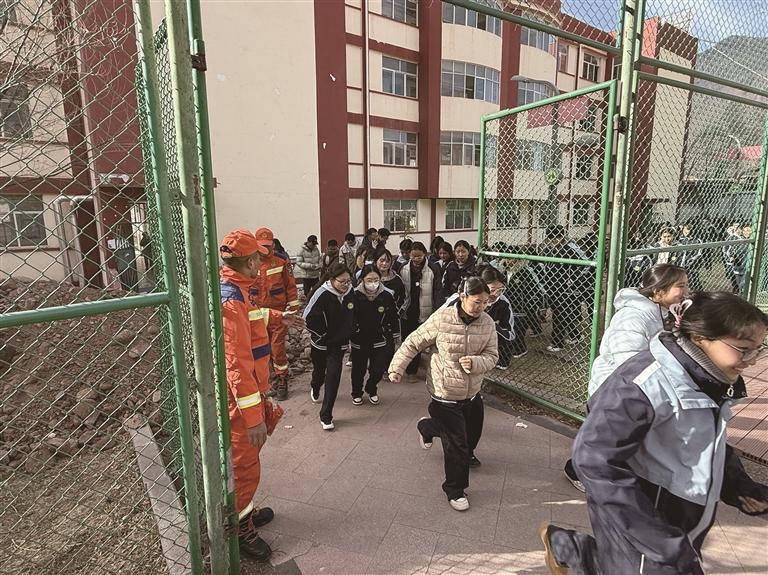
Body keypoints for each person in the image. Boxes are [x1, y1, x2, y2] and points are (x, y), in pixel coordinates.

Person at [541, 291, 768, 575]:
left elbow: (708, 442)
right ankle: (569, 548)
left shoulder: (711, 381)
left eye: (759, 349)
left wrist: (739, 488)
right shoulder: (644, 384)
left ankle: (566, 546)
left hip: (679, 518)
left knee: (620, 567)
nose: (752, 360)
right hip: (645, 516)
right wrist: (657, 538)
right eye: (744, 349)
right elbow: (593, 459)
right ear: (700, 337)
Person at [563, 264, 688, 492]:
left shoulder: (664, 313)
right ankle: (576, 471)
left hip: (636, 390)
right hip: (614, 389)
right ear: (658, 291)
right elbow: (627, 362)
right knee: (606, 441)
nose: (686, 291)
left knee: (621, 441)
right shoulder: (633, 317)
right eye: (680, 286)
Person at [219, 230, 300, 561]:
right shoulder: (231, 299)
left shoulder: (237, 290)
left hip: (247, 392)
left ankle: (245, 514)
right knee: (245, 467)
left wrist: (280, 315)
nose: (261, 263)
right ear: (250, 261)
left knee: (247, 463)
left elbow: (253, 316)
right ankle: (240, 530)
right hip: (239, 402)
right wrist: (253, 418)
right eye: (257, 258)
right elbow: (236, 365)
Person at [388, 276, 499, 512]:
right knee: (456, 444)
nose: (481, 307)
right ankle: (455, 490)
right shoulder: (442, 319)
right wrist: (397, 368)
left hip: (472, 392)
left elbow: (492, 356)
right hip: (444, 392)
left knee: (471, 435)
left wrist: (476, 363)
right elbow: (413, 342)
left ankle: (427, 427)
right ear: (463, 297)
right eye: (477, 302)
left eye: (485, 302)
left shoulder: (488, 323)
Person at [303, 262, 355, 430]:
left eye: (348, 281)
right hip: (321, 342)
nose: (346, 285)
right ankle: (315, 386)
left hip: (338, 344)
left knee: (333, 376)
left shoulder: (350, 292)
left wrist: (352, 330)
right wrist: (323, 334)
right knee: (319, 372)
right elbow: (308, 318)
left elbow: (354, 313)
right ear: (332, 280)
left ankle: (326, 416)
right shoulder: (321, 293)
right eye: (342, 281)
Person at [253, 227, 301, 400]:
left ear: (273, 244)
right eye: (262, 246)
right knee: (261, 349)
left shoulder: (281, 262)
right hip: (257, 314)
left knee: (277, 348)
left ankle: (282, 379)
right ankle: (267, 380)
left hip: (279, 313)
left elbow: (291, 286)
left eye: (268, 245)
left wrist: (294, 308)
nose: (265, 249)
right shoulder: (250, 263)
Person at [441, 265, 513, 371]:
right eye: (491, 290)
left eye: (500, 290)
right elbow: (437, 323)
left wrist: (491, 326)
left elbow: (510, 335)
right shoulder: (459, 299)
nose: (495, 294)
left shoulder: (503, 303)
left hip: (481, 354)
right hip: (454, 347)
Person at [350, 265, 401, 405]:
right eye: (369, 280)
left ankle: (371, 388)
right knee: (358, 369)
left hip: (380, 337)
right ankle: (356, 392)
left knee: (378, 368)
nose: (373, 283)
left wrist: (396, 334)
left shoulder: (387, 295)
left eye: (376, 280)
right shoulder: (354, 295)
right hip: (359, 339)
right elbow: (348, 317)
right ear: (362, 280)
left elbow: (393, 316)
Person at [538, 226, 587, 352]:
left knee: (560, 314)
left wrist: (573, 280)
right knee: (564, 312)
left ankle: (557, 343)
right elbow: (544, 264)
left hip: (564, 287)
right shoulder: (548, 249)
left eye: (556, 238)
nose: (553, 241)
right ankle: (575, 335)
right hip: (552, 285)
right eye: (550, 239)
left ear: (562, 237)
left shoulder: (569, 249)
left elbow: (585, 264)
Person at [399, 241, 442, 375]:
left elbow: (437, 291)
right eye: (413, 256)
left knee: (418, 341)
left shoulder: (433, 268)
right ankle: (405, 367)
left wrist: (437, 311)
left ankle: (413, 371)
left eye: (419, 256)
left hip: (425, 310)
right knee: (406, 340)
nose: (416, 259)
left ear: (425, 254)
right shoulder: (403, 268)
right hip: (408, 310)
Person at [677, 223, 704, 290]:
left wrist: (690, 261)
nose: (687, 231)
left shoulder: (697, 240)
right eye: (685, 229)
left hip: (692, 265)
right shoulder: (679, 240)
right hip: (680, 265)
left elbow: (698, 254)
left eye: (689, 229)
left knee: (693, 281)